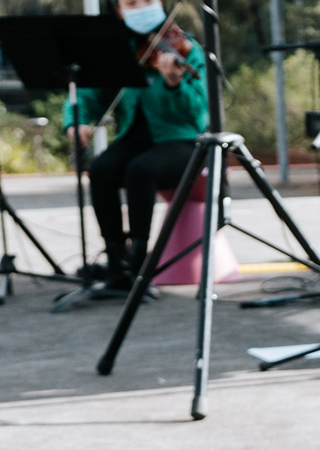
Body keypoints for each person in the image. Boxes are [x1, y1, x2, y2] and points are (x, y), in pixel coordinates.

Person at [63, 0, 208, 293]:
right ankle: (118, 267)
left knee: (139, 171)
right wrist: (76, 120)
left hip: (182, 142)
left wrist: (174, 84)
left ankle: (141, 270)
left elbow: (198, 114)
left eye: (147, 0)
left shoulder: (186, 48)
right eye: (131, 2)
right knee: (101, 169)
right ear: (119, 11)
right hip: (134, 138)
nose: (140, 6)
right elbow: (90, 90)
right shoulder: (118, 49)